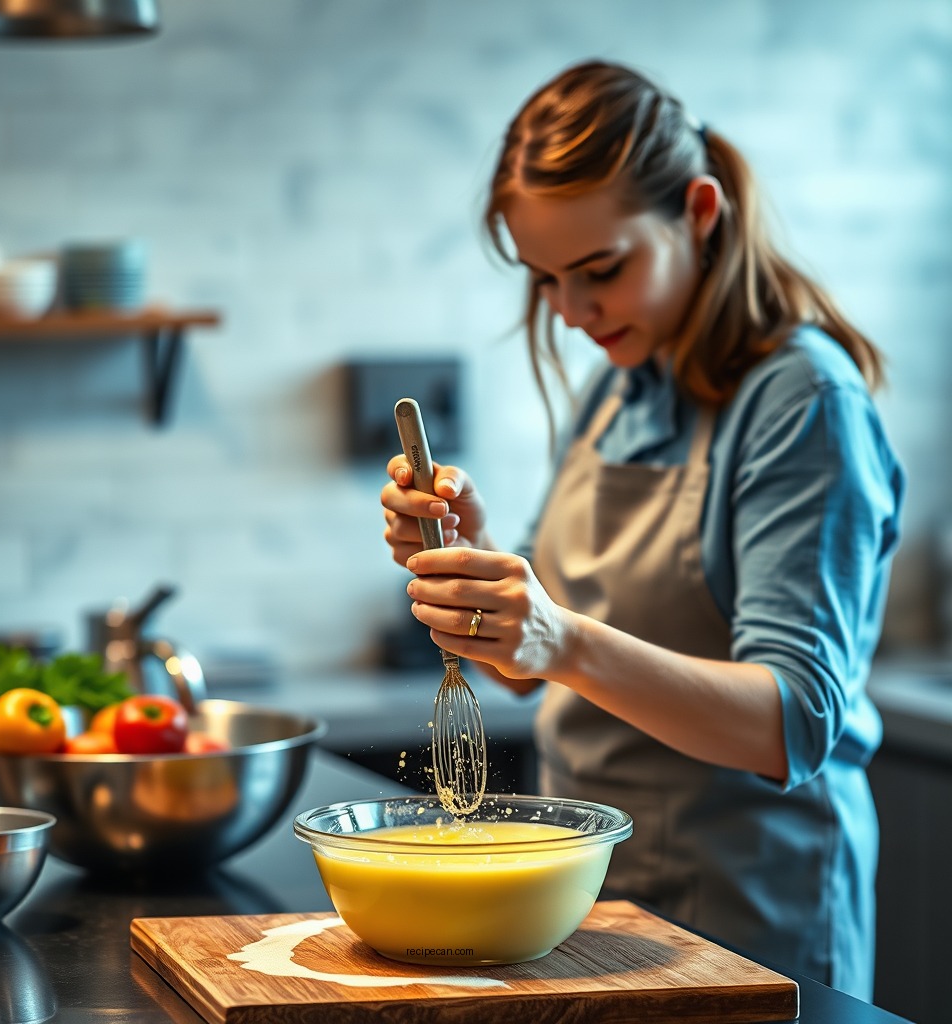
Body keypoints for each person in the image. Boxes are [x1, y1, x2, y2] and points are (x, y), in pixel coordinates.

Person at [380, 60, 904, 1000]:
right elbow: (538, 658)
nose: (573, 314)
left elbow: (795, 721)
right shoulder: (620, 384)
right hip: (588, 907)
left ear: (700, 212)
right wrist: (485, 570)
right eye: (545, 281)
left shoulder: (801, 400)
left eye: (601, 271)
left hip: (746, 926)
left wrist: (558, 635)